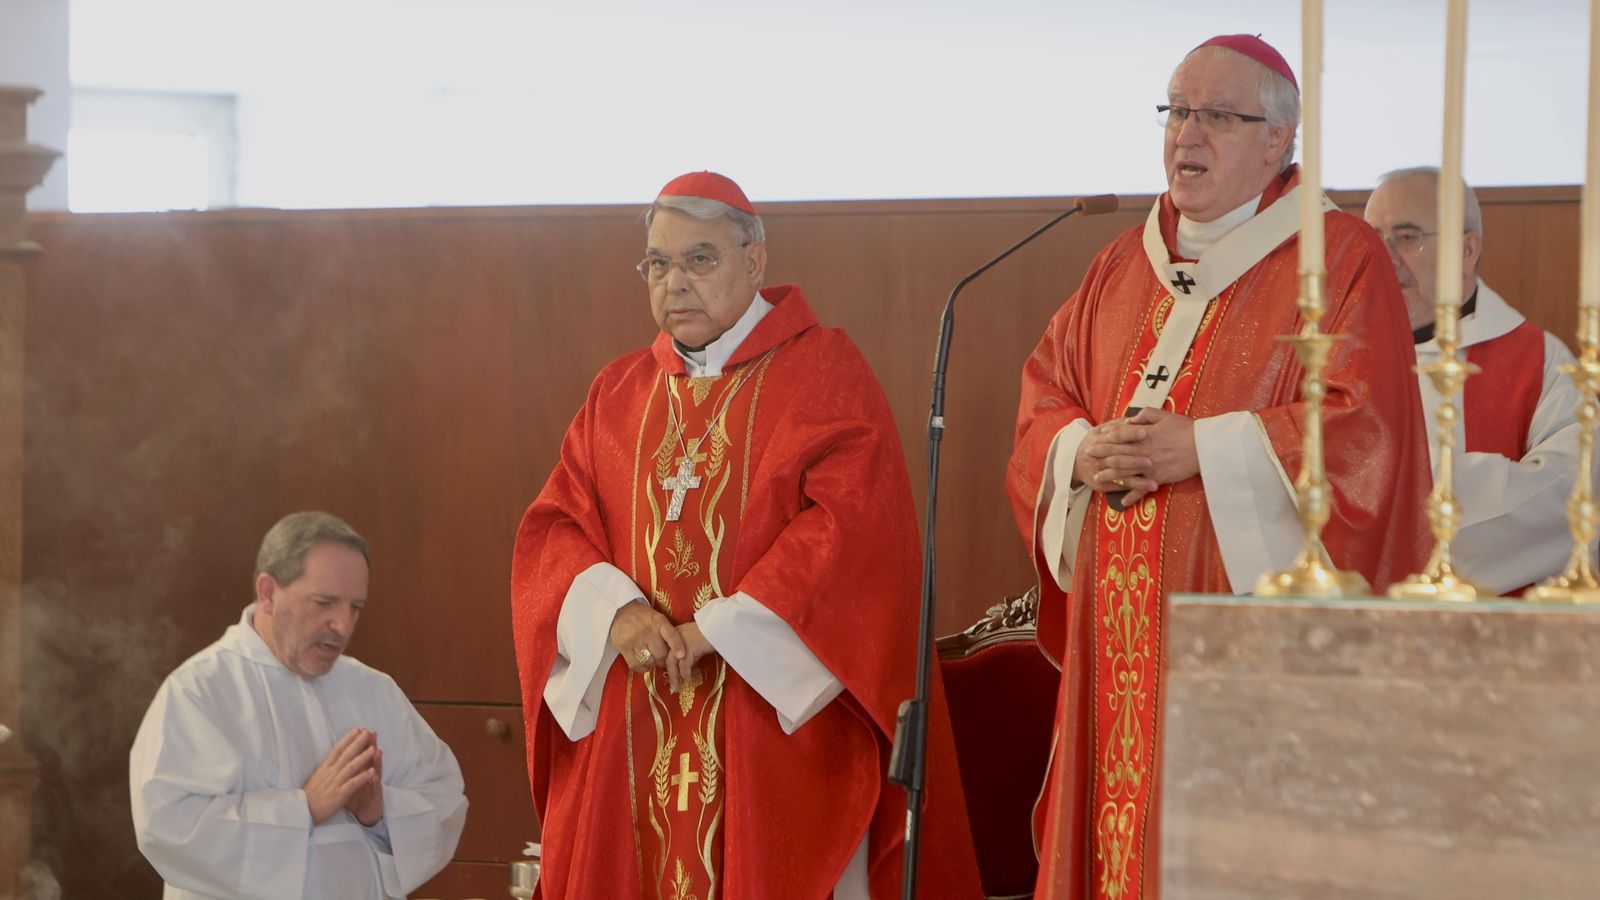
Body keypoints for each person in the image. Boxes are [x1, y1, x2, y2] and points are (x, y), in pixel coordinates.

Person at [1006, 36, 1432, 900]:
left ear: (1279, 140)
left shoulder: (1338, 258)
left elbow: (1368, 432)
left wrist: (1199, 447)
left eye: (1216, 117)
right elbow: (1045, 397)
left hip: (1241, 657)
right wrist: (1077, 451)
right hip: (1115, 647)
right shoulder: (1122, 265)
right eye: (1175, 111)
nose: (1185, 136)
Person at [510, 172, 981, 899]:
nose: (675, 283)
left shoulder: (823, 373)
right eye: (658, 264)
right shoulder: (619, 392)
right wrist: (620, 614)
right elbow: (555, 531)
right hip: (639, 721)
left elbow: (850, 535)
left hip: (768, 721)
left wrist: (715, 631)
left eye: (699, 260)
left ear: (754, 262)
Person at [130, 512, 467, 899]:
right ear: (269, 592)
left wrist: (379, 812)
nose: (343, 624)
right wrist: (303, 809)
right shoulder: (199, 692)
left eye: (355, 606)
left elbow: (443, 798)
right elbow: (168, 828)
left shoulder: (374, 690)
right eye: (325, 603)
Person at [1365, 167, 1590, 594]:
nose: (1386, 257)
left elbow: (1571, 495)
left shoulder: (1538, 361)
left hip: (1488, 636)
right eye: (1375, 237)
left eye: (1408, 237)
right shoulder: (1333, 353)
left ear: (1467, 250)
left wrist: (1393, 489)